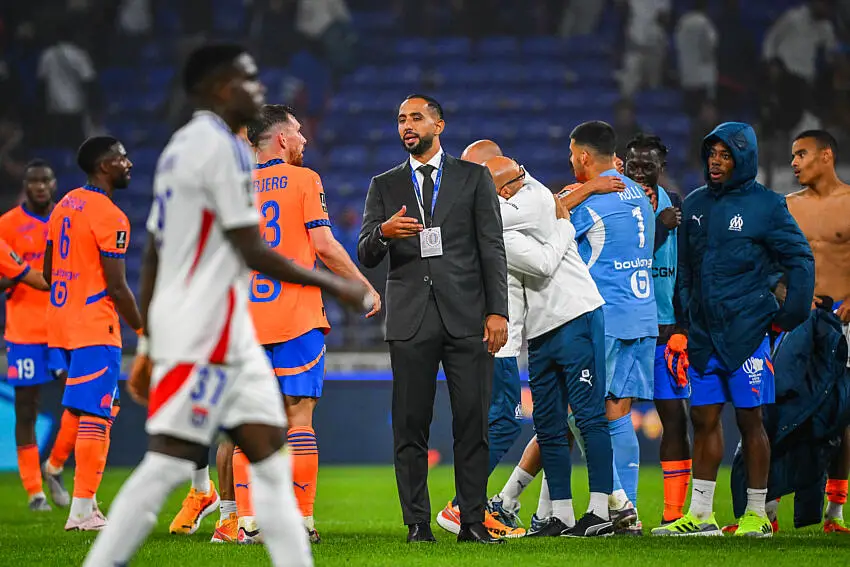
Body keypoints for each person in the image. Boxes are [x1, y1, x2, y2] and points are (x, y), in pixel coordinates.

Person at [82, 43, 369, 567]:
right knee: (170, 459)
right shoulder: (215, 151)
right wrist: (339, 286)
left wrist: (148, 338)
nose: (258, 89)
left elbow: (157, 247)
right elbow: (251, 248)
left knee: (265, 451)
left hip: (235, 326)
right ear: (217, 87)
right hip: (211, 329)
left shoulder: (186, 149)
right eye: (247, 79)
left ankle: (264, 533)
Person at [175, 104, 383, 545]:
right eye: (298, 131)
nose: (304, 139)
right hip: (297, 318)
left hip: (245, 324)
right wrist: (362, 285)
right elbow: (324, 245)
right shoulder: (305, 180)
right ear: (282, 139)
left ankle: (247, 523)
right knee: (299, 419)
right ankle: (302, 521)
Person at [358, 94, 508, 544]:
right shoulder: (384, 184)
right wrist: (383, 233)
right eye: (401, 119)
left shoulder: (473, 177)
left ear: (438, 125)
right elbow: (366, 252)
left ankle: (472, 521)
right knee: (410, 426)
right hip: (411, 320)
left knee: (472, 423)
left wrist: (497, 311)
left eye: (416, 118)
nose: (407, 125)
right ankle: (418, 524)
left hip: (467, 317)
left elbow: (492, 247)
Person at [652, 122, 814, 537]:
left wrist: (788, 316)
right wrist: (685, 322)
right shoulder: (696, 203)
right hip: (704, 336)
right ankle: (701, 515)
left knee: (750, 420)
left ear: (743, 158)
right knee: (703, 418)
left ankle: (756, 515)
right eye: (712, 154)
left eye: (725, 155)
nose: (716, 162)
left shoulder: (768, 206)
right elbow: (685, 269)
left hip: (747, 332)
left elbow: (800, 259)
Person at [490, 154, 616, 537]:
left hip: (576, 313)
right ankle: (560, 514)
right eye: (516, 180)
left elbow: (545, 263)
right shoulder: (520, 211)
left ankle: (601, 511)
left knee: (589, 417)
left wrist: (566, 220)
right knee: (548, 424)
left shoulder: (532, 199)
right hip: (540, 330)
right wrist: (567, 214)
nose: (522, 183)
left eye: (521, 176)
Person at [42, 136, 140, 531]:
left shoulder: (65, 204)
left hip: (62, 322)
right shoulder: (111, 216)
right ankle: (82, 511)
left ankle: (72, 485)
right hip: (94, 325)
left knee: (101, 407)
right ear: (104, 165)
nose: (129, 163)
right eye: (121, 157)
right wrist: (143, 329)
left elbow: (48, 271)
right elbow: (117, 287)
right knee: (97, 413)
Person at [568, 121, 657, 535]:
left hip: (604, 315)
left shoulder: (591, 201)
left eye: (573, 155)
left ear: (585, 156)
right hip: (642, 314)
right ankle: (628, 515)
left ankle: (618, 504)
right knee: (618, 412)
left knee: (579, 413)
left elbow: (547, 225)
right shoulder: (641, 194)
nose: (571, 162)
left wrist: (580, 192)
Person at [624, 134, 691, 526]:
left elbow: (683, 269)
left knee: (675, 419)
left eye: (646, 165)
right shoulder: (615, 202)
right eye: (632, 164)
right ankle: (619, 510)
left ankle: (673, 515)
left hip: (664, 331)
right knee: (609, 418)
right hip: (626, 330)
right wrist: (660, 229)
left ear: (661, 166)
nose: (638, 172)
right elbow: (624, 257)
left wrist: (682, 324)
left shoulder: (675, 203)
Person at [785, 129, 850, 534]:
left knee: (843, 416)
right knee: (782, 409)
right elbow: (772, 263)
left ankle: (835, 512)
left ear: (826, 156)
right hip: (799, 323)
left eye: (801, 154)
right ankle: (766, 508)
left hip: (845, 323)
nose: (794, 163)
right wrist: (788, 296)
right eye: (792, 156)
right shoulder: (787, 207)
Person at [0, 159, 74, 512]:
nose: (40, 186)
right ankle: (34, 491)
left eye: (46, 180)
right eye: (34, 181)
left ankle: (54, 465)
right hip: (25, 331)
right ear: (26, 186)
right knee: (27, 409)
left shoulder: (68, 219)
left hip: (66, 328)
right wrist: (20, 275)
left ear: (55, 183)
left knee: (79, 402)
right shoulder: (7, 225)